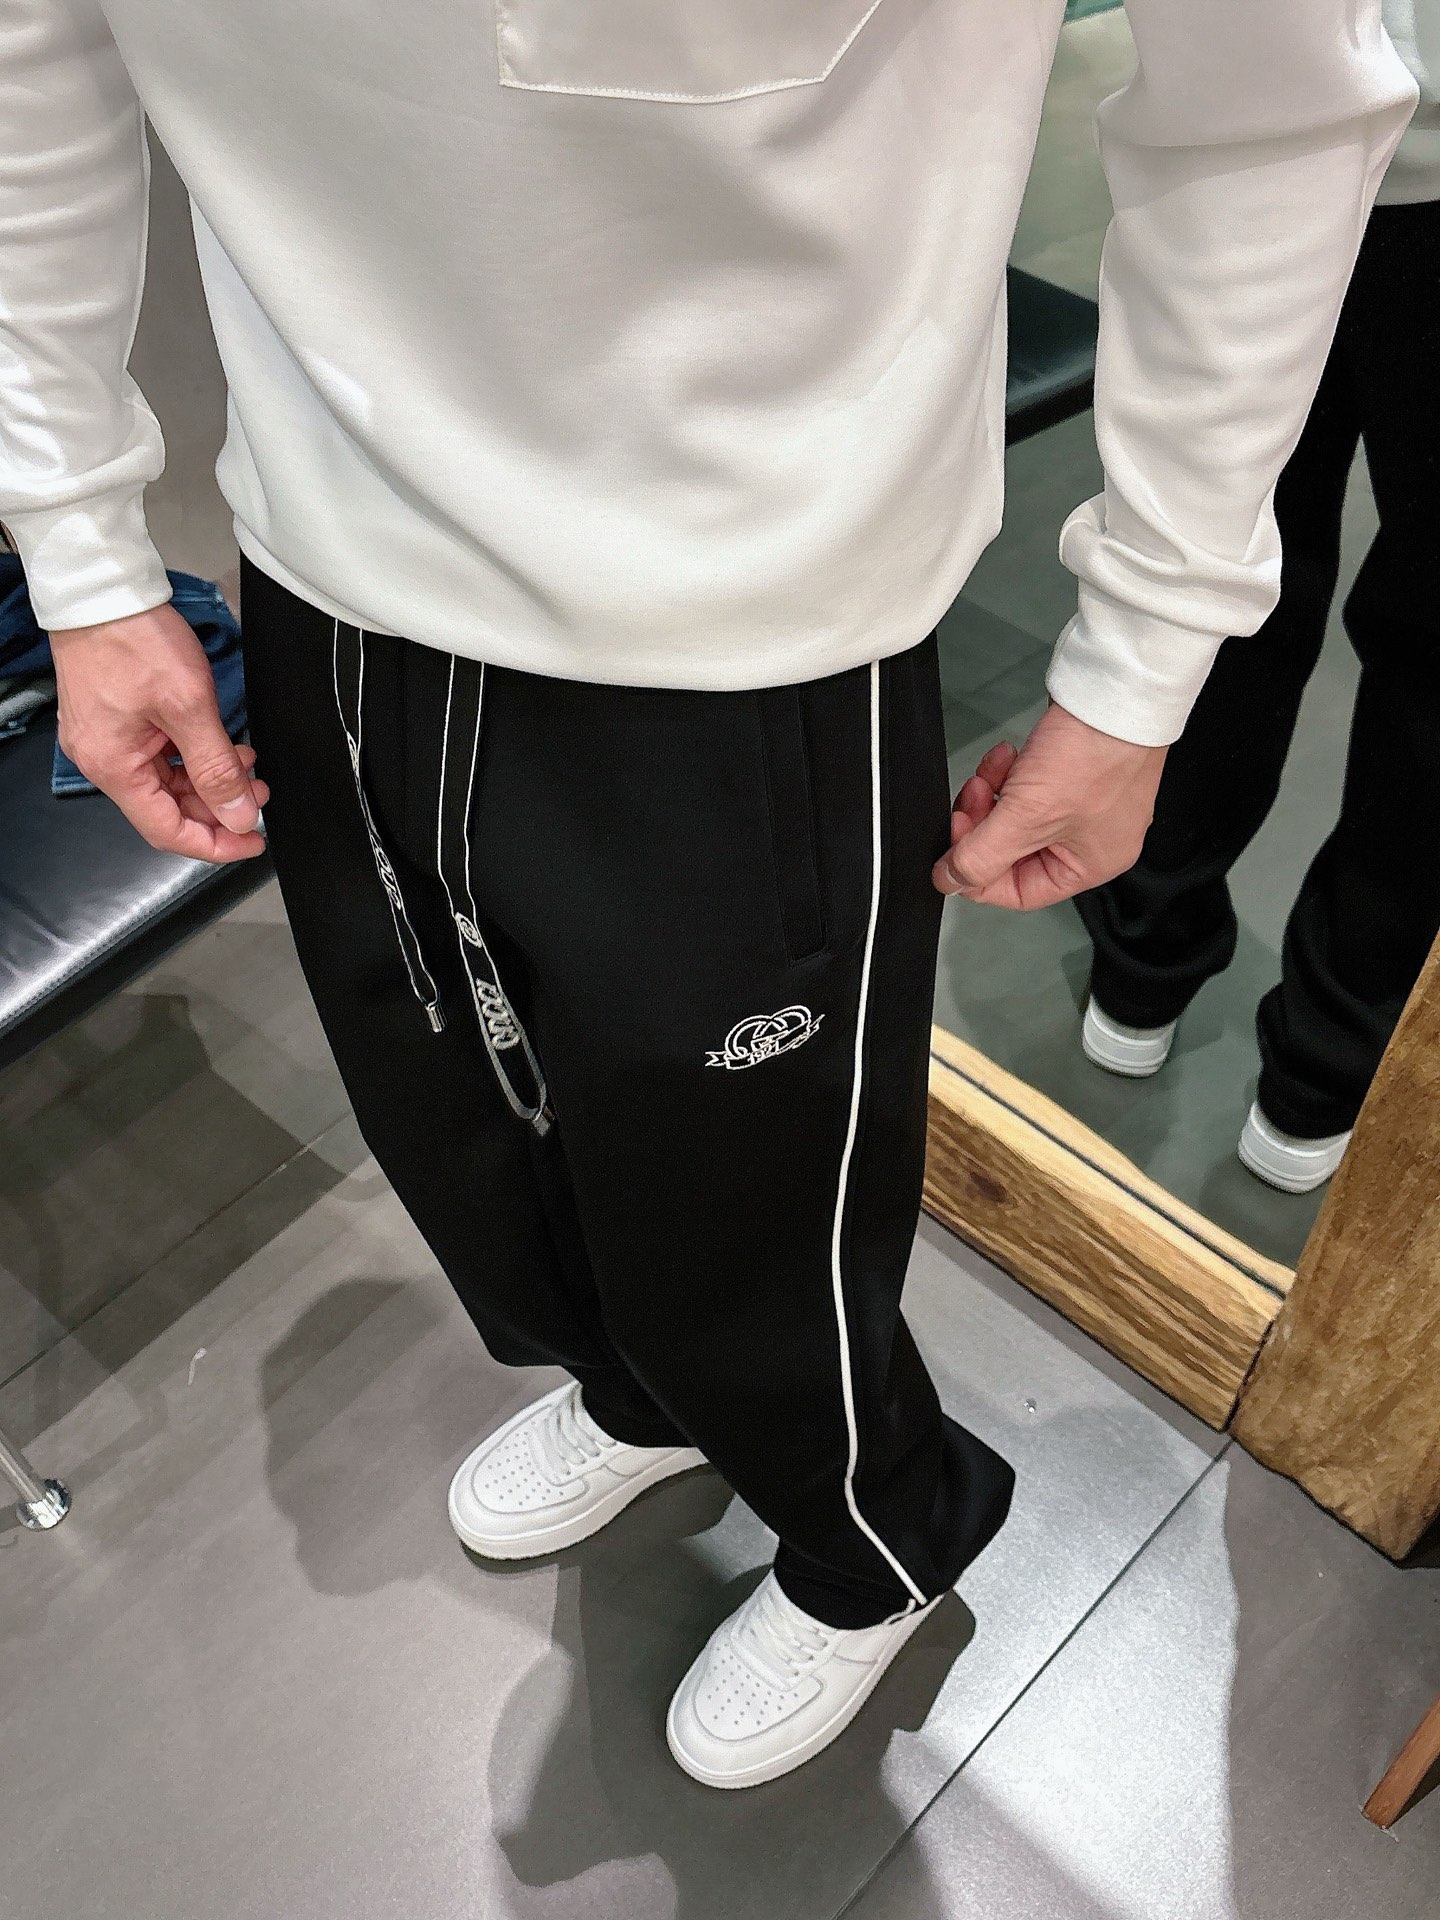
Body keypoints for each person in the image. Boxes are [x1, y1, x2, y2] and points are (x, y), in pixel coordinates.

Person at [0, 1, 1416, 1788]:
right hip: (322, 551)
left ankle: (875, 1536)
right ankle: (638, 1394)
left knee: (749, 1208)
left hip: (753, 616)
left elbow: (1268, 108)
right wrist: (80, 552)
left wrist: (1146, 654)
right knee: (456, 1118)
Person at [1077, 0, 1438, 1196]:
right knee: (1402, 645)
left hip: (1247, 119)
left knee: (1221, 569)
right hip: (1261, 115)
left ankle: (1145, 965)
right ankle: (1319, 1066)